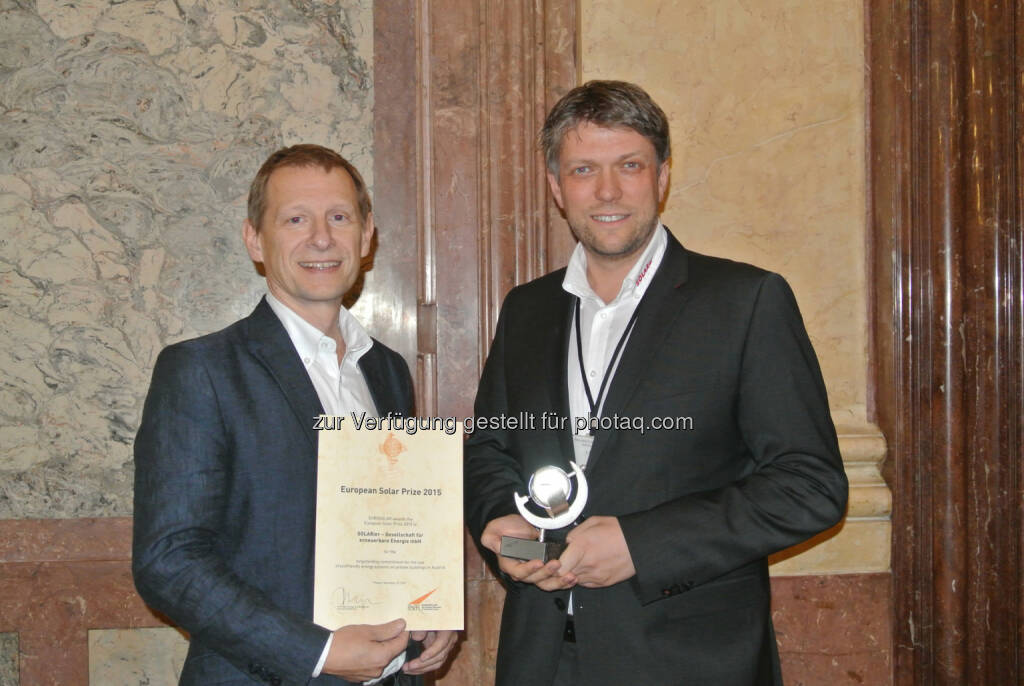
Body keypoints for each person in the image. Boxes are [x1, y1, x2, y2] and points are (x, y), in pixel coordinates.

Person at [464, 81, 848, 685]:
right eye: (584, 169)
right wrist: (503, 529)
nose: (608, 191)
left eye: (630, 166)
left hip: (686, 661)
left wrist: (644, 545)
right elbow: (489, 448)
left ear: (662, 177)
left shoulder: (745, 301)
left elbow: (810, 486)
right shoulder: (526, 310)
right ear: (555, 186)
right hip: (541, 656)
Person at [133, 144, 457, 685]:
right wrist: (316, 652)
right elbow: (169, 561)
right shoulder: (201, 371)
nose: (322, 238)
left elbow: (392, 527)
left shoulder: (388, 371)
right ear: (255, 240)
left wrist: (430, 611)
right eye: (295, 219)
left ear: (367, 234)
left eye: (338, 217)